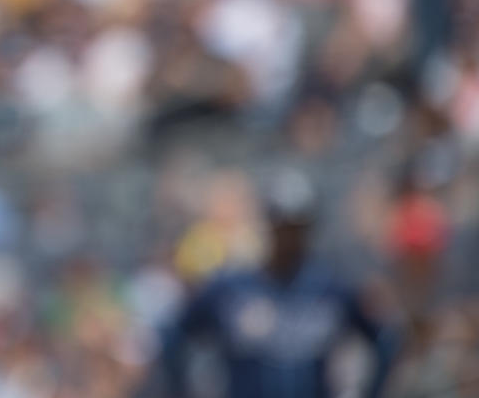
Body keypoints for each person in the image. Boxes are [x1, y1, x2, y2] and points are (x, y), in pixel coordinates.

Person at [160, 170, 398, 398]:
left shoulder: (331, 289)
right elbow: (174, 336)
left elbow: (384, 341)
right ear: (269, 225)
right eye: (282, 226)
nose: (289, 238)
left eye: (296, 228)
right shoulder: (231, 288)